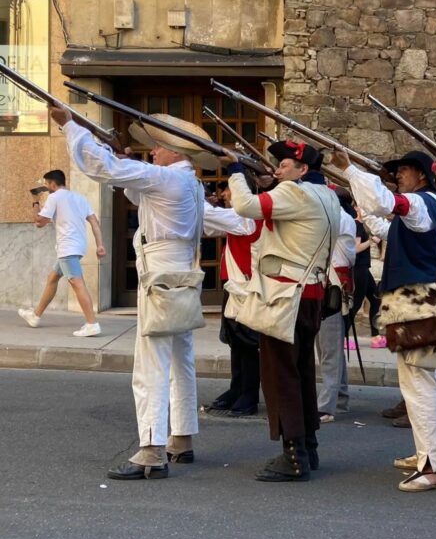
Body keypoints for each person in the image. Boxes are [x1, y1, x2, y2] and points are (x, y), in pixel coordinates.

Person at [51, 106, 215, 480]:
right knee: (179, 357)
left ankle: (152, 449)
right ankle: (182, 437)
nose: (153, 151)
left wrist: (71, 127)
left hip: (159, 273)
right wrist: (118, 158)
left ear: (178, 153)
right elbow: (138, 192)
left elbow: (102, 169)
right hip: (179, 271)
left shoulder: (168, 178)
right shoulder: (187, 181)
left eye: (159, 146)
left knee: (151, 363)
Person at [334, 149, 436, 492]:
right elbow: (389, 228)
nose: (399, 175)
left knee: (420, 384)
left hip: (418, 298)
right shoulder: (429, 207)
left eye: (405, 170)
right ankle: (429, 455)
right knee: (419, 382)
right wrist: (362, 203)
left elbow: (387, 203)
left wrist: (351, 170)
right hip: (420, 297)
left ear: (421, 176)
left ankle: (433, 466)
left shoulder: (419, 204)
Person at [228, 139, 339, 482]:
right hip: (310, 296)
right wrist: (270, 184)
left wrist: (235, 170)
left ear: (303, 170)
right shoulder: (328, 195)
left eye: (286, 165)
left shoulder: (293, 193)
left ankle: (293, 456)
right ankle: (308, 445)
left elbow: (244, 207)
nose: (278, 169)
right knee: (301, 372)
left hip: (285, 297)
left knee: (280, 377)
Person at [19, 170, 107, 336]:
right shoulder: (80, 198)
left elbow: (39, 222)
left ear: (53, 184)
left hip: (68, 248)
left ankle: (92, 323)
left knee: (77, 283)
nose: (46, 188)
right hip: (77, 246)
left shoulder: (55, 197)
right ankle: (35, 315)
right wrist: (100, 245)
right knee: (53, 278)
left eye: (46, 185)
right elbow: (94, 222)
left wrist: (35, 203)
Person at [202, 181, 263, 418]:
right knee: (236, 342)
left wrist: (195, 193)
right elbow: (211, 224)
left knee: (247, 344)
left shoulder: (244, 218)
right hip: (236, 286)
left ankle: (248, 395)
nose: (224, 194)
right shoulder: (240, 217)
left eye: (228, 189)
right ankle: (237, 389)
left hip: (244, 287)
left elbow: (208, 217)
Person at [316, 187, 357, 423]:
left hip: (331, 285)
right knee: (329, 347)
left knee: (328, 348)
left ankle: (327, 405)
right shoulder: (342, 217)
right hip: (332, 282)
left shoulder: (338, 218)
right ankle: (339, 397)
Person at [347, 203, 384, 348]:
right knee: (356, 303)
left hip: (364, 268)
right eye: (362, 208)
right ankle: (343, 336)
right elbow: (355, 249)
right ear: (356, 209)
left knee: (375, 300)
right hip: (359, 268)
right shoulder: (356, 225)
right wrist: (371, 241)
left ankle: (376, 337)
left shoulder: (362, 225)